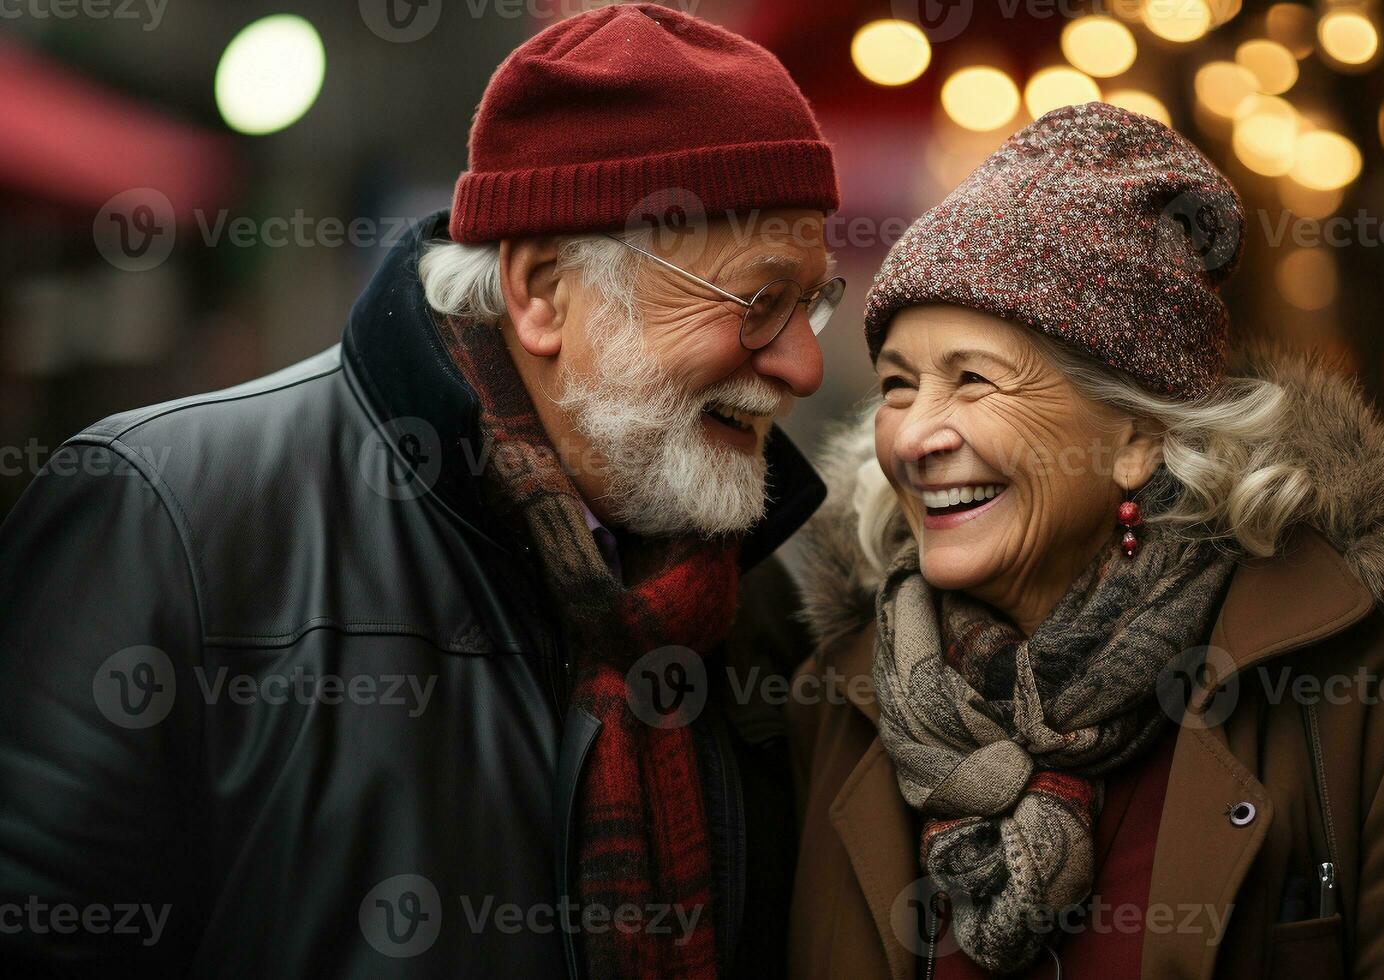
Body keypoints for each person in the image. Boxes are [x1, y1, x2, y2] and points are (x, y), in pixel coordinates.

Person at [0, 6, 840, 977]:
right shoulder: (173, 516)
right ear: (541, 290)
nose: (806, 363)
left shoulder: (758, 597)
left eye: (814, 301)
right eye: (759, 300)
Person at [786, 102, 1384, 979]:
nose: (915, 437)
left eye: (973, 381)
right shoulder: (842, 699)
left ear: (1135, 439)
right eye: (897, 385)